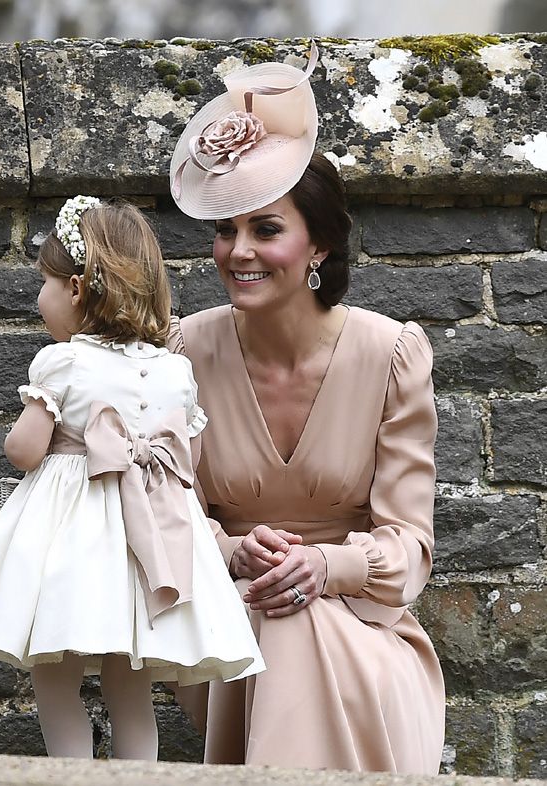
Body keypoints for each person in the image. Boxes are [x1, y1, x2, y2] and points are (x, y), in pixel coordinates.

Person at [166, 42, 445, 773]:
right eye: (225, 230)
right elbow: (165, 521)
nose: (238, 252)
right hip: (228, 629)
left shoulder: (391, 356)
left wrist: (325, 565)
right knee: (276, 613)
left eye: (265, 228)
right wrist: (232, 552)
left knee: (298, 617)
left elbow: (410, 547)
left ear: (317, 243)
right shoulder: (182, 355)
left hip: (364, 628)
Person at [0, 197, 264, 761]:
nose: (40, 296)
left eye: (45, 281)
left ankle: (71, 771)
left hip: (74, 542)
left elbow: (23, 451)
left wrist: (33, 435)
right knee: (130, 682)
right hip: (144, 544)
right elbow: (190, 458)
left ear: (77, 289)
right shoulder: (174, 370)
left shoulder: (63, 362)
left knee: (55, 673)